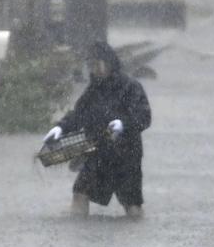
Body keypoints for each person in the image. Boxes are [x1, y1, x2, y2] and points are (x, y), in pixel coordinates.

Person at [44, 41, 152, 219]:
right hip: (99, 153)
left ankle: (136, 229)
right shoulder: (93, 90)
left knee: (132, 205)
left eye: (99, 63)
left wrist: (123, 124)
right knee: (80, 192)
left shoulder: (130, 87)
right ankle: (78, 228)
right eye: (92, 65)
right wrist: (60, 128)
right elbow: (79, 114)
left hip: (127, 157)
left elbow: (144, 117)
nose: (96, 69)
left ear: (110, 63)